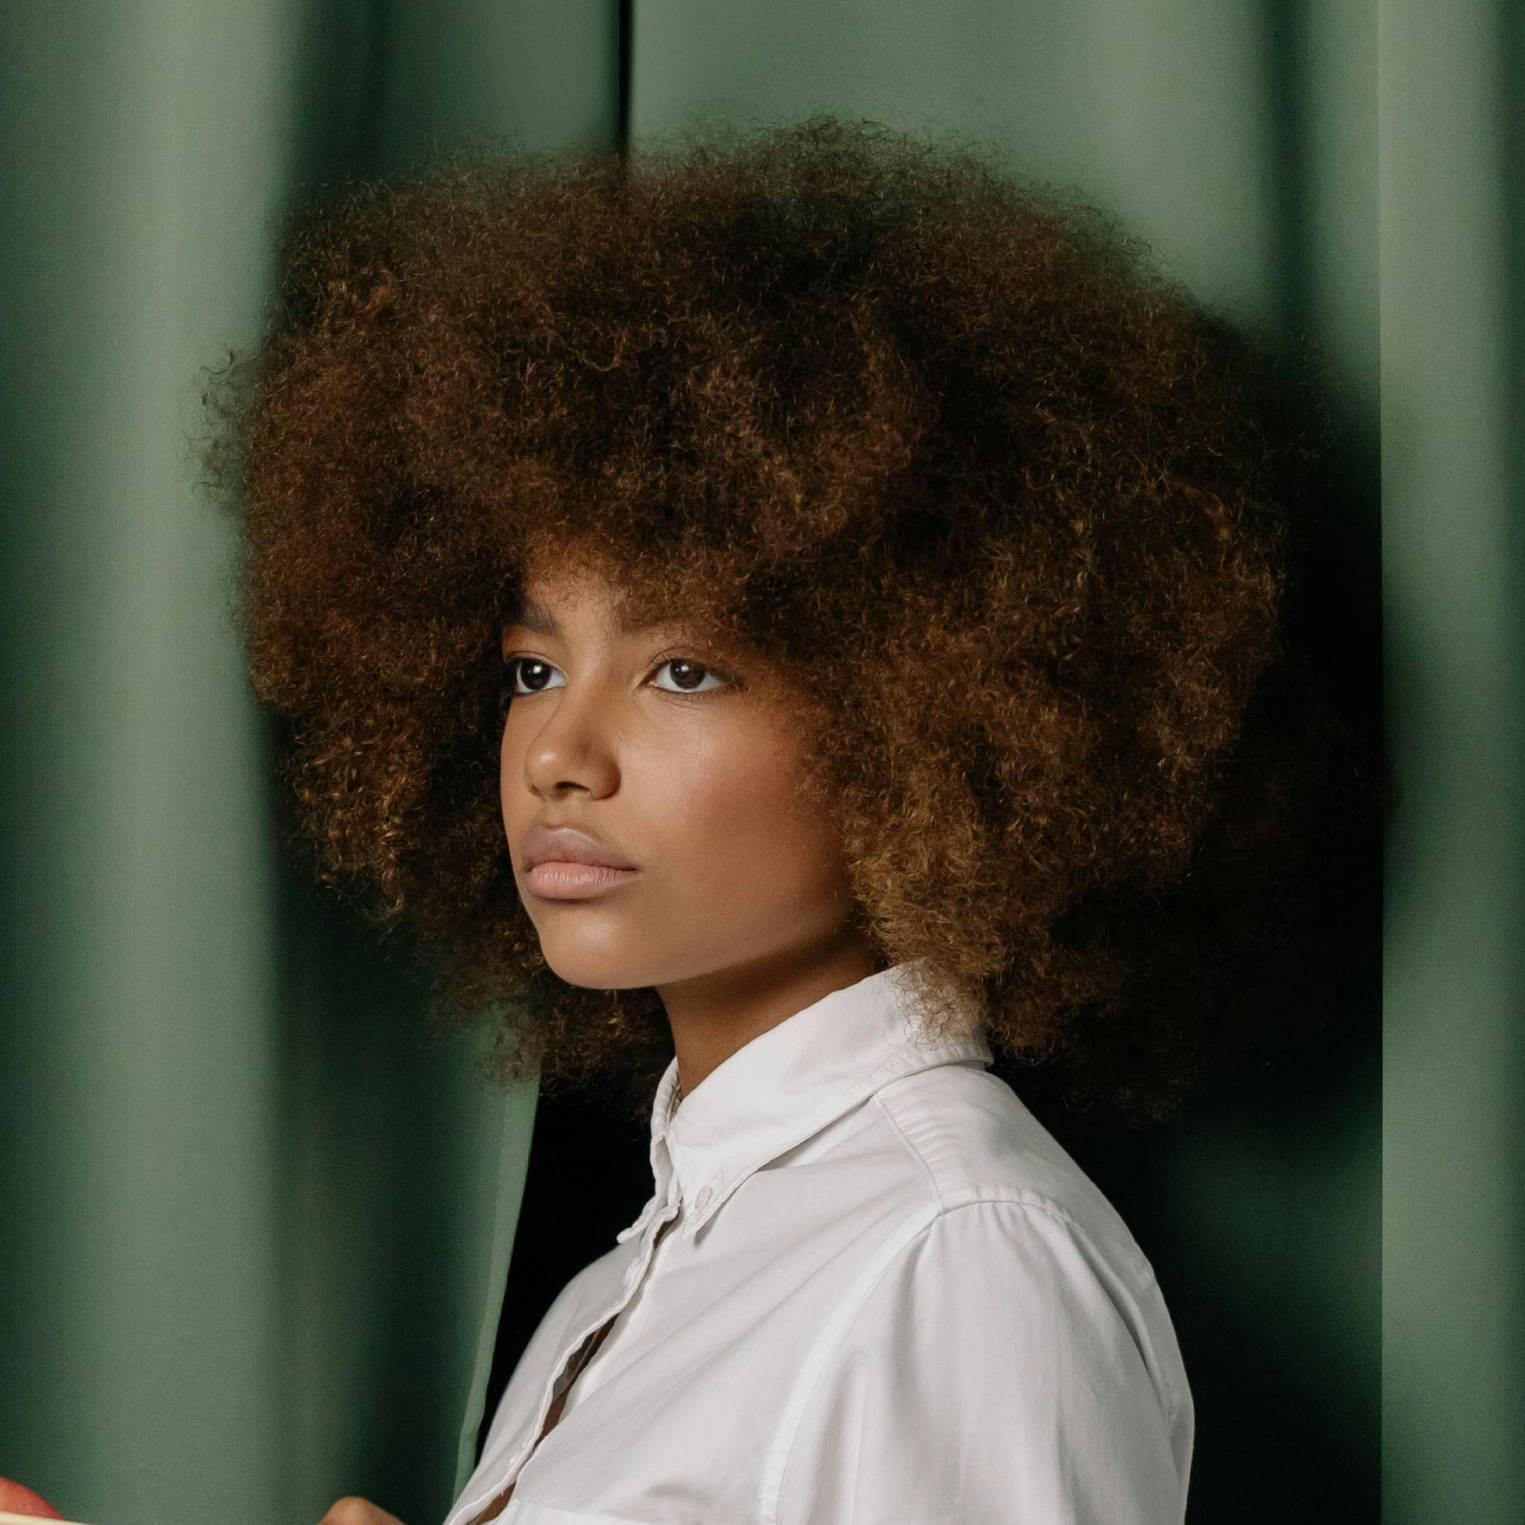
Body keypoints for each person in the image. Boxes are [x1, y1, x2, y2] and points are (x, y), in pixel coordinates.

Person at [202, 113, 1380, 1524]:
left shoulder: (954, 1257)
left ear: (928, 712)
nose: (559, 755)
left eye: (683, 669)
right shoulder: (635, 1276)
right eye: (530, 668)